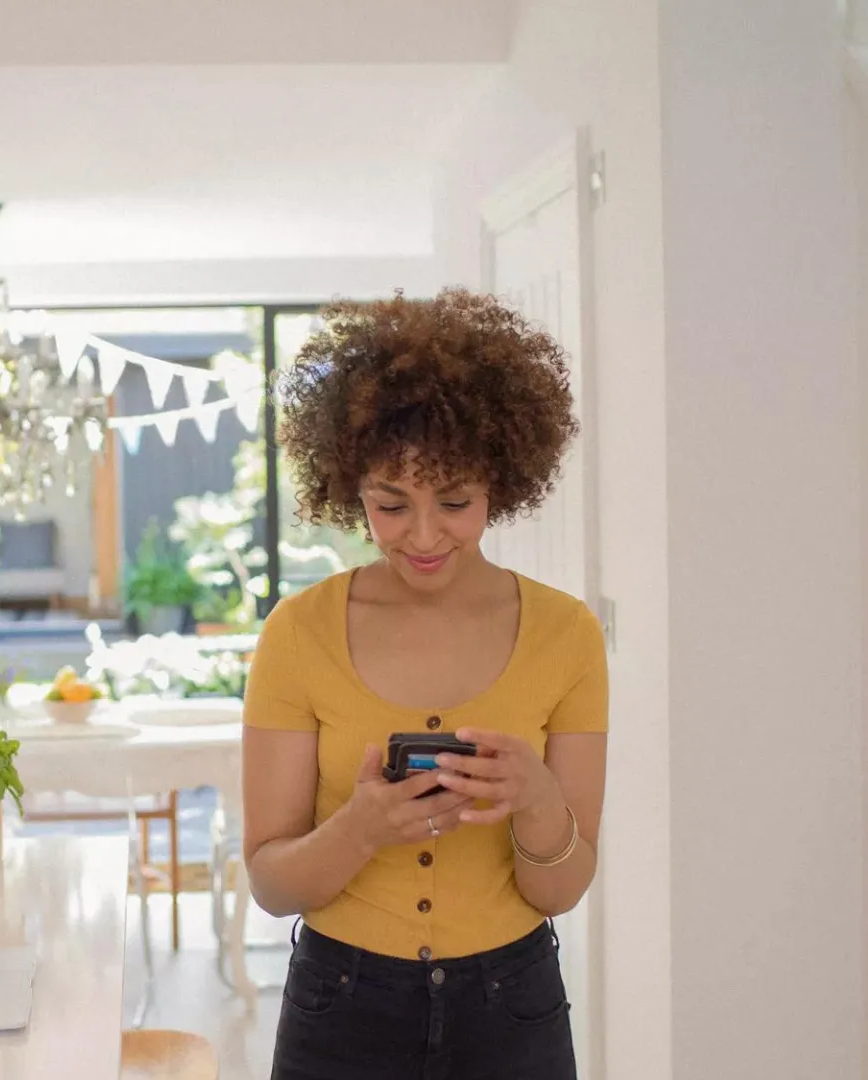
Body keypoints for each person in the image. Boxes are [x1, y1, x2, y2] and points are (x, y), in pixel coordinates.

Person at [243, 289, 606, 1080]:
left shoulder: (567, 633)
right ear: (350, 489)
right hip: (339, 1005)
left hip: (513, 1004)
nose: (425, 534)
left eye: (455, 501)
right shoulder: (297, 633)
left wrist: (538, 796)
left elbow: (562, 890)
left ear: (501, 484)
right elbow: (271, 884)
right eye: (389, 504)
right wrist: (361, 829)